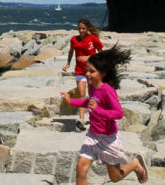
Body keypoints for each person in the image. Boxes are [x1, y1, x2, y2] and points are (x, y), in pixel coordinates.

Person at [61, 48, 148, 184]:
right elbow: (89, 102)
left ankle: (135, 164)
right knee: (81, 168)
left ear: (103, 73)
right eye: (87, 70)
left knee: (115, 177)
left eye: (92, 71)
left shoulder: (107, 90)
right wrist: (70, 101)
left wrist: (99, 110)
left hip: (109, 138)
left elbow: (119, 113)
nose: (87, 74)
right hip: (93, 136)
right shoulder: (92, 86)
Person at [63, 18, 104, 130]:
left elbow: (101, 54)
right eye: (79, 28)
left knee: (93, 96)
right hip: (80, 70)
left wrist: (88, 57)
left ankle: (96, 116)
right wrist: (68, 63)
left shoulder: (93, 39)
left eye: (83, 29)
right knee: (81, 94)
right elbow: (71, 51)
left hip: (92, 71)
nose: (81, 31)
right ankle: (81, 120)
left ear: (88, 29)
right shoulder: (74, 39)